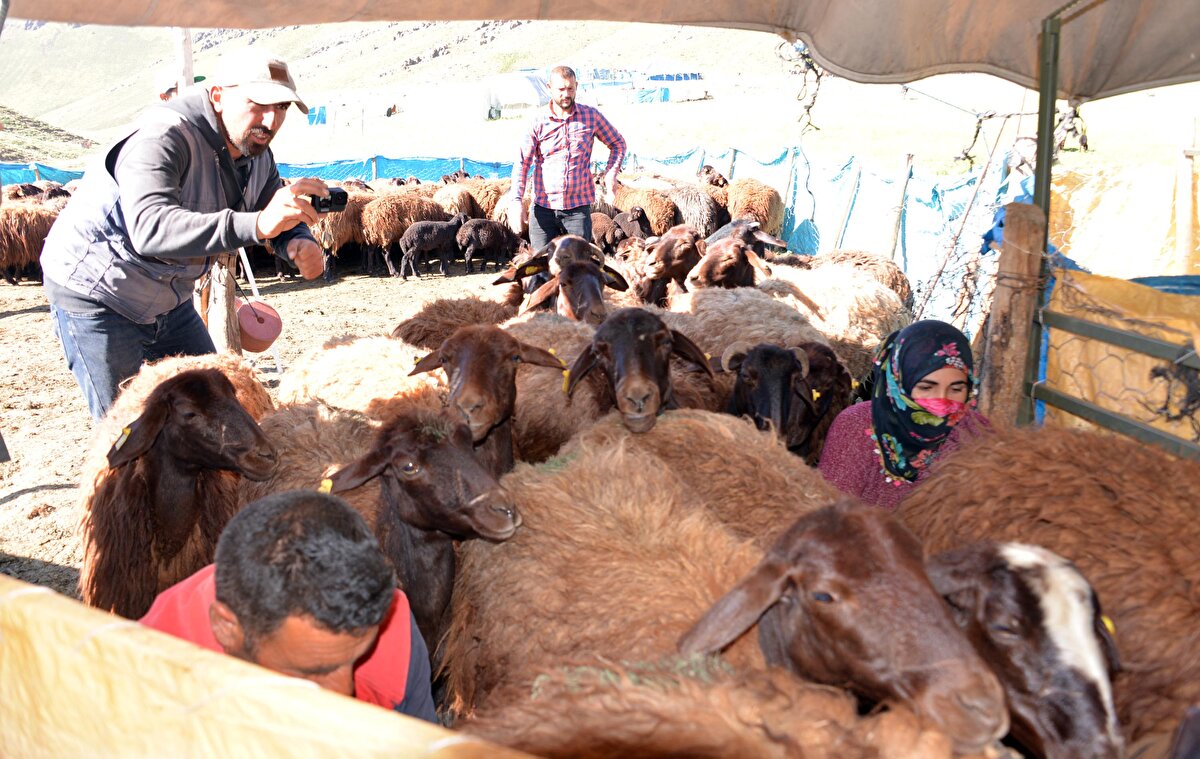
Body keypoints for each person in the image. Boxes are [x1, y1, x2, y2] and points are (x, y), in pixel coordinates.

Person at [41, 50, 328, 420]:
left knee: (215, 406)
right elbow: (151, 228)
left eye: (283, 107)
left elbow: (268, 203)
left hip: (170, 299)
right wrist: (256, 225)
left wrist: (296, 239)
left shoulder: (256, 150)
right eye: (258, 103)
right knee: (128, 430)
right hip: (101, 294)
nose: (271, 120)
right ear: (219, 96)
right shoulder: (164, 135)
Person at [140, 490, 438, 722]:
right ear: (226, 627)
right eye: (309, 672)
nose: (344, 692)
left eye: (359, 656)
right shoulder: (151, 672)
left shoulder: (391, 623)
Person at [819, 320, 990, 510]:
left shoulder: (978, 434)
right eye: (926, 387)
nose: (942, 402)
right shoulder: (857, 425)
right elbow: (829, 517)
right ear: (898, 382)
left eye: (956, 389)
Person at [507, 65, 626, 251]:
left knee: (577, 268)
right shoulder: (538, 120)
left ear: (577, 86)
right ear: (549, 88)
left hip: (578, 210)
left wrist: (610, 174)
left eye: (570, 88)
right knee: (541, 268)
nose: (566, 94)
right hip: (543, 208)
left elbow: (618, 143)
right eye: (561, 89)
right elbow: (522, 162)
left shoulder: (590, 116)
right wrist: (516, 201)